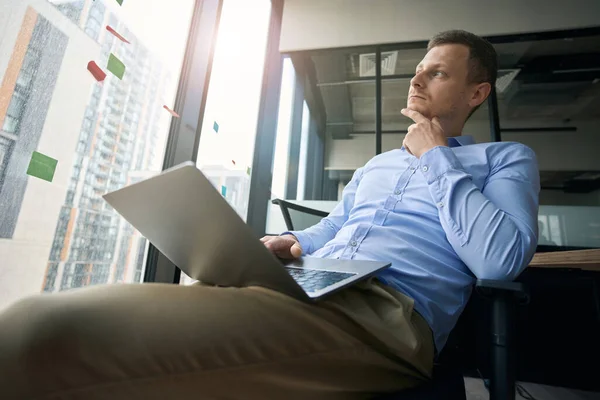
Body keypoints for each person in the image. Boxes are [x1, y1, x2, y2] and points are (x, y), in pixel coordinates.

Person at [0, 30, 539, 399]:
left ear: (477, 91)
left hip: (388, 317)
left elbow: (498, 262)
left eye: (437, 74)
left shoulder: (503, 159)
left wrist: (437, 156)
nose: (416, 81)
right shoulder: (378, 164)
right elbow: (339, 225)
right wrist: (295, 242)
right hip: (308, 285)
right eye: (417, 71)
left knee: (35, 332)